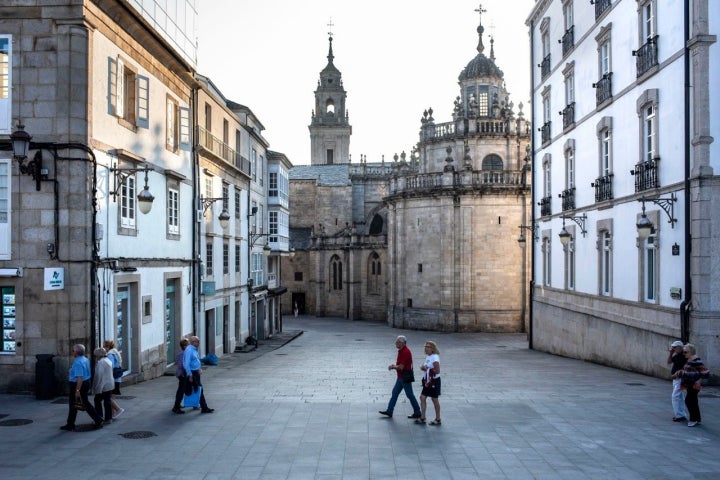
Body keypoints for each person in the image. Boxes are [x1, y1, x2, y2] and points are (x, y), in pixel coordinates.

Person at [60, 344, 104, 431]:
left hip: (78, 385)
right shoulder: (85, 359)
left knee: (80, 403)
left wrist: (77, 390)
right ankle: (70, 423)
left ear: (76, 352)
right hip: (86, 383)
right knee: (78, 404)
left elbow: (79, 377)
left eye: (73, 350)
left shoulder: (78, 362)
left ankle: (97, 420)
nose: (72, 352)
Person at [379, 335, 421, 419]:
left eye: (397, 342)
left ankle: (417, 412)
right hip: (401, 377)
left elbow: (401, 367)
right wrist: (395, 366)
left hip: (404, 377)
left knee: (409, 395)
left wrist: (393, 366)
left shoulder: (405, 352)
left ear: (402, 343)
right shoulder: (401, 351)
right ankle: (389, 411)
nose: (395, 343)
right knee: (395, 393)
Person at [673, 343, 710, 427]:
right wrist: (680, 372)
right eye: (683, 352)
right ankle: (697, 418)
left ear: (691, 352)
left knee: (689, 401)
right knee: (693, 401)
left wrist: (699, 381)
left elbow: (706, 372)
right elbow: (688, 371)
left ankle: (693, 419)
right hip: (689, 384)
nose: (684, 354)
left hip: (694, 384)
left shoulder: (696, 361)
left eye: (686, 352)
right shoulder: (689, 360)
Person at [183, 335, 214, 413]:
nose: (199, 343)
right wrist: (189, 375)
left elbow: (195, 361)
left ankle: (198, 405)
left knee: (197, 389)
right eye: (198, 341)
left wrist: (199, 368)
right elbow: (186, 364)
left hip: (196, 372)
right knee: (199, 389)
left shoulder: (194, 349)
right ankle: (204, 407)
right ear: (193, 342)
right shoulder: (189, 350)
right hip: (192, 373)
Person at [416, 340, 442, 426]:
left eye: (428, 347)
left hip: (434, 381)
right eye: (425, 347)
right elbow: (427, 367)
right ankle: (423, 417)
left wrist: (426, 369)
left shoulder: (435, 357)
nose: (426, 348)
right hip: (427, 381)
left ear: (433, 348)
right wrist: (424, 368)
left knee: (434, 399)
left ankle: (438, 418)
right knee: (422, 397)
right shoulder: (428, 356)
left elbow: (437, 370)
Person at [92, 347, 115, 425]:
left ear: (98, 355)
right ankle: (108, 418)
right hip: (110, 384)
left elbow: (99, 375)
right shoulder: (108, 360)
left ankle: (99, 417)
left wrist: (97, 387)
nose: (95, 357)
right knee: (107, 401)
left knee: (97, 400)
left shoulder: (101, 363)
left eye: (95, 355)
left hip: (103, 385)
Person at [667, 340, 687, 422]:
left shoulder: (684, 356)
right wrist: (671, 353)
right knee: (680, 397)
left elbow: (684, 367)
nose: (673, 349)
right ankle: (682, 414)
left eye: (675, 347)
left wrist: (677, 374)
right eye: (673, 347)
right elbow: (669, 362)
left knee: (675, 396)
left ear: (680, 347)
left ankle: (679, 415)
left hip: (679, 378)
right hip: (676, 379)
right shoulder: (676, 355)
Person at [103, 339, 124, 419]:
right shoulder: (115, 352)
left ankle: (118, 409)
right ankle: (112, 413)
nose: (104, 348)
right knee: (112, 397)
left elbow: (109, 366)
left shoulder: (110, 355)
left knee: (108, 397)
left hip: (113, 378)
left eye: (104, 346)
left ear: (108, 346)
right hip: (117, 378)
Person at [172, 338, 189, 414]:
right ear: (184, 346)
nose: (188, 346)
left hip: (181, 374)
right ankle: (176, 407)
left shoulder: (182, 352)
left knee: (180, 390)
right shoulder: (183, 353)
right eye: (187, 345)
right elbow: (182, 365)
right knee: (181, 391)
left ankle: (177, 405)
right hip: (182, 374)